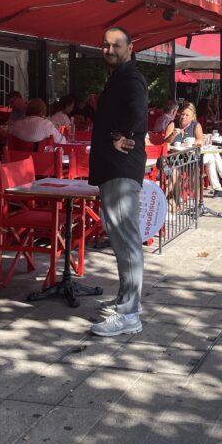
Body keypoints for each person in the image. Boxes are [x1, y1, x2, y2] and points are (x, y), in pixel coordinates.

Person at [88, 28, 148, 338]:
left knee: (126, 242)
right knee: (125, 242)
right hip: (116, 169)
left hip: (120, 168)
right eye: (105, 44)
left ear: (130, 48)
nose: (109, 49)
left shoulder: (130, 77)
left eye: (116, 45)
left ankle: (129, 315)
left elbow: (138, 113)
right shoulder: (122, 77)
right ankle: (129, 303)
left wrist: (118, 135)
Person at [170, 102, 222, 197]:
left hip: (192, 156)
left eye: (186, 115)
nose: (183, 116)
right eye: (182, 114)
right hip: (180, 158)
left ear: (192, 116)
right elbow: (167, 142)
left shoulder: (195, 125)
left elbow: (200, 140)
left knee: (213, 155)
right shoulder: (173, 124)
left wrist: (190, 142)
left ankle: (221, 186)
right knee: (213, 155)